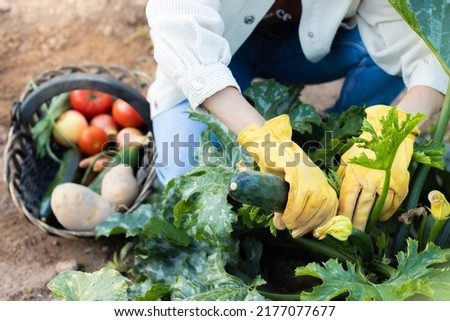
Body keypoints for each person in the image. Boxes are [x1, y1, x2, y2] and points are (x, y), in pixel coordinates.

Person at [145, 0, 448, 237]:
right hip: (212, 49)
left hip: (299, 48)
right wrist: (267, 143)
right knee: (184, 179)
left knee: (387, 52)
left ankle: (340, 140)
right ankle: (301, 157)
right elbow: (177, 26)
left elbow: (429, 49)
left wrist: (391, 136)